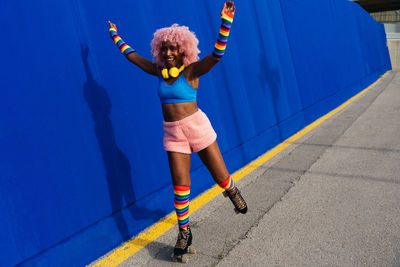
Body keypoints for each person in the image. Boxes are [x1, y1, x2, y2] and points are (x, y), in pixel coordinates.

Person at [108, 1, 247, 262]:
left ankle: (232, 190)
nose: (169, 52)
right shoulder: (159, 71)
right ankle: (184, 233)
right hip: (173, 133)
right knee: (180, 186)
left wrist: (226, 23)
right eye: (165, 48)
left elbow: (217, 55)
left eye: (173, 48)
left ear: (183, 49)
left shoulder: (192, 71)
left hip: (197, 126)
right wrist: (116, 36)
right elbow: (134, 57)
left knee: (220, 175)